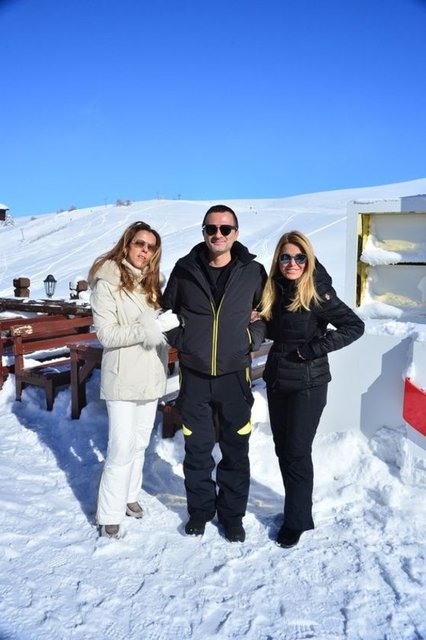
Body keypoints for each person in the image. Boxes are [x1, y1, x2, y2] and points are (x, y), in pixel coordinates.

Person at [163, 204, 267, 542]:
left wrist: (251, 338)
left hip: (235, 377)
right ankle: (200, 511)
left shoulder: (253, 271)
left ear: (236, 233)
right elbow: (165, 313)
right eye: (211, 228)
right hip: (195, 377)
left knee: (236, 450)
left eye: (225, 229)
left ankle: (232, 515)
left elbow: (266, 314)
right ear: (204, 232)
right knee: (197, 449)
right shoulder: (185, 269)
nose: (218, 234)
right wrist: (184, 342)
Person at [259, 230, 364, 548]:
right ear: (278, 260)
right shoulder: (274, 288)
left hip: (308, 383)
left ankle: (297, 521)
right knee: (282, 449)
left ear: (308, 259)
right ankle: (294, 508)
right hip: (278, 379)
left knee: (296, 451)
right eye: (286, 257)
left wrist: (314, 348)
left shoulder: (317, 290)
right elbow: (273, 327)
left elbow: (354, 326)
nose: (292, 263)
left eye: (299, 257)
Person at [88, 221, 179, 539]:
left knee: (140, 442)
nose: (145, 251)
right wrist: (153, 327)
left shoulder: (151, 284)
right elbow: (107, 335)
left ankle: (129, 495)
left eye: (151, 247)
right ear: (126, 245)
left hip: (150, 374)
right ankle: (108, 513)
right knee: (120, 446)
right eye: (140, 243)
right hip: (123, 376)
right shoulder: (107, 282)